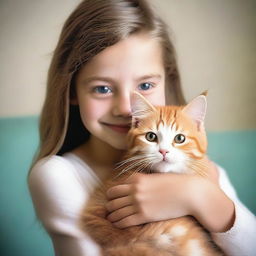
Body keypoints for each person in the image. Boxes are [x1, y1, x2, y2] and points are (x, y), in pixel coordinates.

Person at [28, 0, 256, 255]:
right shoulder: (58, 174)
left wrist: (199, 194)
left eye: (145, 86)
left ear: (166, 81)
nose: (126, 108)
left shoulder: (204, 170)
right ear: (71, 91)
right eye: (102, 88)